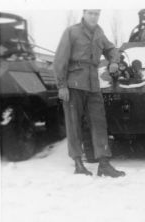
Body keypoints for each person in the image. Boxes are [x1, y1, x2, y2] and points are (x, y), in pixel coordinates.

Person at [53, 9, 125, 178]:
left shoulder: (99, 31)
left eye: (97, 14)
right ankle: (78, 163)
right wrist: (62, 85)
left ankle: (104, 164)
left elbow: (111, 49)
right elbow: (60, 60)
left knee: (99, 123)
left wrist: (114, 61)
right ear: (84, 13)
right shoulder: (71, 31)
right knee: (74, 124)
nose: (94, 17)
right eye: (91, 13)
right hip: (73, 84)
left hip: (93, 84)